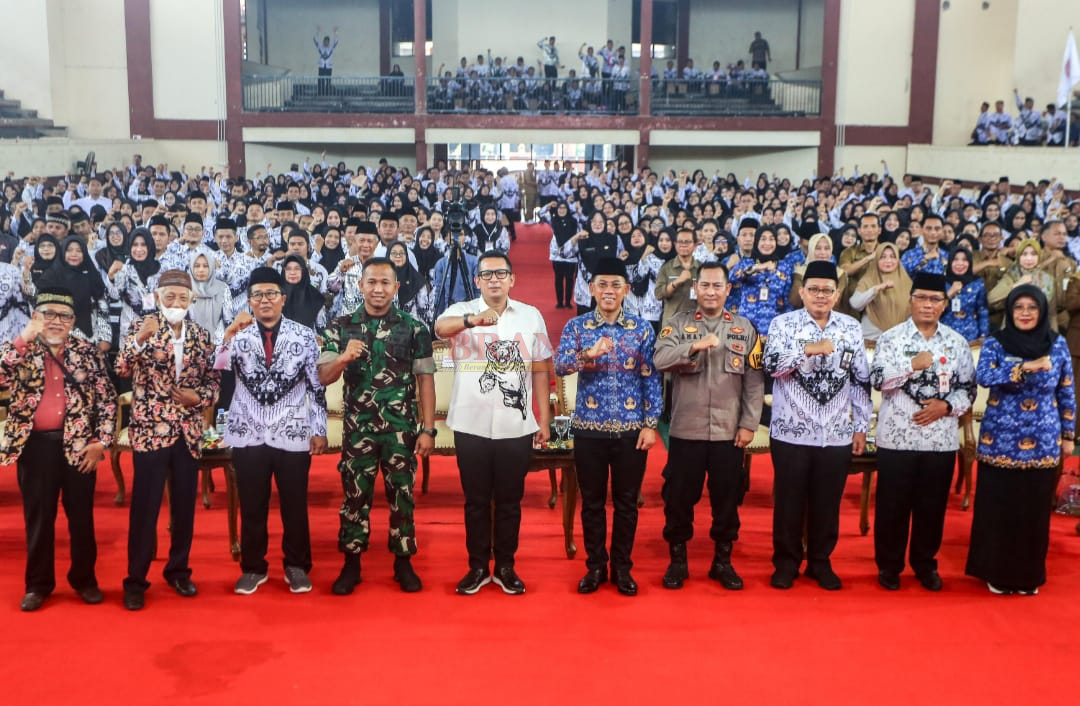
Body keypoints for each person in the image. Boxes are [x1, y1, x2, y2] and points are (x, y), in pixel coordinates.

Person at [435, 251, 552, 595]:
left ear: (512, 279)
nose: (494, 279)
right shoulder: (460, 311)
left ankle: (505, 565)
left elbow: (541, 368)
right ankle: (476, 567)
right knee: (474, 501)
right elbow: (440, 329)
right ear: (477, 281)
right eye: (487, 275)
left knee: (510, 501)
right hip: (469, 423)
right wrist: (473, 320)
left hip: (515, 426)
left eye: (501, 273)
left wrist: (543, 419)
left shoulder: (530, 316)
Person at [319, 257, 436, 595]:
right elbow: (323, 376)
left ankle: (403, 562)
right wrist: (343, 358)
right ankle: (351, 564)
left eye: (386, 283)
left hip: (402, 430)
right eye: (372, 282)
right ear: (361, 285)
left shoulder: (414, 328)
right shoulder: (340, 327)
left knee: (402, 496)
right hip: (359, 430)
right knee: (355, 497)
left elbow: (425, 379)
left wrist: (428, 429)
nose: (378, 289)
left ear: (396, 287)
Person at [0, 287, 117, 612]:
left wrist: (101, 442)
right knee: (38, 519)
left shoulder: (86, 351)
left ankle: (84, 579)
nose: (56, 321)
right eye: (48, 314)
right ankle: (38, 585)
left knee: (81, 519)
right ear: (36, 316)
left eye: (63, 315)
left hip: (80, 448)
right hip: (35, 448)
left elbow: (107, 400)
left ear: (73, 321)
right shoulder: (21, 348)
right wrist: (25, 337)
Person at [213, 267, 328, 595]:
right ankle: (253, 567)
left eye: (270, 294)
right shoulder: (238, 333)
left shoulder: (303, 335)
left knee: (294, 504)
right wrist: (228, 334)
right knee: (252, 504)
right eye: (257, 295)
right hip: (247, 430)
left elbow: (316, 386)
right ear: (249, 300)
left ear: (282, 298)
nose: (264, 301)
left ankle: (296, 566)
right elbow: (216, 367)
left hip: (292, 429)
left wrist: (318, 429)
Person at [652, 262, 764, 590]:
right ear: (695, 289)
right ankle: (678, 560)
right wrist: (693, 347)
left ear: (728, 289)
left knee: (727, 498)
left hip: (729, 432)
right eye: (705, 286)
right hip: (687, 430)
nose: (711, 291)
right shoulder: (676, 325)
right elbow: (660, 360)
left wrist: (749, 424)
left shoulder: (745, 329)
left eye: (718, 286)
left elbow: (755, 382)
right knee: (679, 497)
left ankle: (722, 560)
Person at [555, 259, 662, 596]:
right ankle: (595, 567)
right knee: (592, 503)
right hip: (589, 429)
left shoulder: (642, 329)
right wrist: (588, 354)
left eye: (616, 285)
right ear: (591, 288)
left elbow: (651, 378)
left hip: (632, 431)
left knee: (627, 503)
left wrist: (650, 424)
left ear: (626, 290)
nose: (609, 291)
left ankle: (622, 568)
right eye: (602, 284)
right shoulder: (577, 326)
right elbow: (560, 366)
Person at [115, 270, 220, 610]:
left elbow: (214, 383)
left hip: (188, 433)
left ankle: (178, 570)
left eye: (182, 297)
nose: (176, 302)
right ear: (158, 296)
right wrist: (138, 341)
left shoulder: (202, 337)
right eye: (170, 296)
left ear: (192, 300)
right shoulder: (142, 328)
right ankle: (135, 579)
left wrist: (198, 397)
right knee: (145, 508)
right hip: (149, 432)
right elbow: (121, 368)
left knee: (185, 506)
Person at [763, 260, 871, 590]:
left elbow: (860, 379)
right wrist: (808, 349)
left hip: (836, 432)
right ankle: (786, 562)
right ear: (802, 292)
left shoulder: (851, 329)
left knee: (827, 502)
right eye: (814, 290)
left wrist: (861, 425)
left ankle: (821, 561)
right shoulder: (783, 324)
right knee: (789, 501)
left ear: (837, 295)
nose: (820, 296)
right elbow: (770, 366)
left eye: (827, 291)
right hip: (791, 429)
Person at [870, 272, 976, 591]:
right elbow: (878, 380)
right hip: (896, 437)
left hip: (940, 441)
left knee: (931, 509)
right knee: (892, 509)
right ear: (911, 300)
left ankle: (925, 564)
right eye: (921, 298)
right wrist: (911, 366)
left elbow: (967, 389)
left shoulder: (956, 343)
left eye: (934, 299)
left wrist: (946, 407)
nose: (927, 305)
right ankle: (889, 567)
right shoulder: (891, 339)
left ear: (944, 304)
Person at [967, 285, 1075, 595]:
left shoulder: (1056, 344)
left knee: (1033, 512)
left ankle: (1028, 576)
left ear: (1042, 311)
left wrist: (1068, 435)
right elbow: (984, 376)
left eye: (1032, 307)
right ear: (1011, 311)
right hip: (999, 438)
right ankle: (996, 573)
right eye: (1019, 307)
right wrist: (1022, 368)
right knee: (999, 509)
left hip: (1041, 440)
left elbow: (1066, 389)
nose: (1025, 313)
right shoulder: (995, 343)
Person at [988, 238, 1058, 331]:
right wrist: (1017, 285)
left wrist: (1054, 336)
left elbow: (1052, 313)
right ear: (1018, 257)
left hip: (1039, 331)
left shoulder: (1047, 279)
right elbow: (991, 298)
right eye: (1024, 254)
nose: (1029, 258)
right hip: (1013, 330)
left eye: (1033, 254)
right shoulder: (1012, 276)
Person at [850, 242, 912, 341]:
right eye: (883, 257)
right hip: (871, 339)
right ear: (876, 260)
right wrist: (876, 289)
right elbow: (855, 304)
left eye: (892, 257)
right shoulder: (868, 280)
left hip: (899, 339)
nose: (888, 261)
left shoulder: (906, 282)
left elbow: (912, 312)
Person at [654, 226, 702, 325]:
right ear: (675, 244)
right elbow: (658, 294)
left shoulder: (702, 269)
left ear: (695, 245)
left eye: (687, 242)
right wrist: (677, 281)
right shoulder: (666, 267)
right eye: (680, 242)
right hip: (671, 323)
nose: (683, 245)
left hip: (695, 324)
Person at [941, 248, 990, 343]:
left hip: (971, 337)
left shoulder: (977, 283)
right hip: (944, 336)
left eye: (964, 260)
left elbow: (983, 311)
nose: (960, 263)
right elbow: (935, 309)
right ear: (950, 262)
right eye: (955, 259)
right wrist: (950, 293)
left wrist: (983, 335)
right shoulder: (942, 282)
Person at [546, 200, 579, 309]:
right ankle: (559, 302)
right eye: (560, 208)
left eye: (564, 208)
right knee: (558, 278)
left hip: (570, 254)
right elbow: (540, 213)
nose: (562, 210)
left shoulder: (574, 221)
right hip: (557, 255)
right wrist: (549, 205)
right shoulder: (553, 220)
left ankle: (568, 302)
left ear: (568, 209)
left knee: (570, 279)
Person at [314, 26, 339, 96]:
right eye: (325, 41)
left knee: (328, 81)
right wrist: (318, 32)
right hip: (321, 66)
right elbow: (315, 40)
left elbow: (336, 41)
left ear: (329, 42)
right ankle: (320, 93)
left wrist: (335, 33)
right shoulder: (320, 47)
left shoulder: (331, 48)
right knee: (320, 81)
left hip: (328, 67)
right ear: (323, 41)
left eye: (327, 42)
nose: (326, 43)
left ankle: (327, 94)